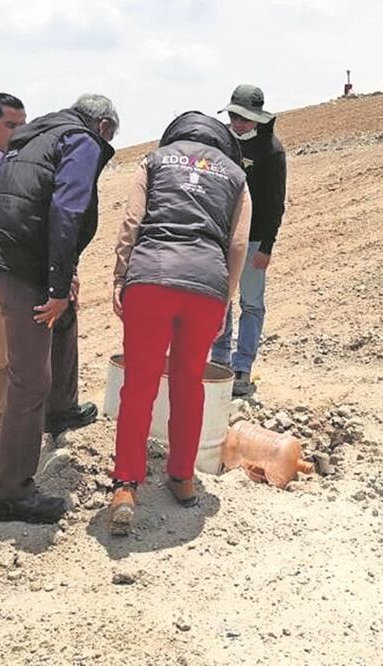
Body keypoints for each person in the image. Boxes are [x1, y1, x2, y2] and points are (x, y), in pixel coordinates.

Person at [0, 94, 118, 524]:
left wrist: (62, 278)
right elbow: (67, 207)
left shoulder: (38, 138)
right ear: (104, 126)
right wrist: (55, 282)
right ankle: (12, 495)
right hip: (19, 265)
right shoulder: (82, 140)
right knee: (29, 379)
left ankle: (61, 409)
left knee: (64, 315)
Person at [107, 111, 252, 535]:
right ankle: (182, 478)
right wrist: (225, 298)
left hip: (151, 277)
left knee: (139, 385)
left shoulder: (153, 161)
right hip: (206, 283)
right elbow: (239, 241)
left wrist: (121, 275)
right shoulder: (235, 177)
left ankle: (125, 485)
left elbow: (132, 222)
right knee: (189, 383)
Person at [0, 93, 98, 444]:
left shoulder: (34, 157)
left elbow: (61, 217)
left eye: (22, 124)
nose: (18, 131)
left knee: (59, 340)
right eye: (9, 125)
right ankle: (4, 429)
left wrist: (66, 271)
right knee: (2, 355)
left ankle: (60, 412)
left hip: (42, 274)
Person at [210, 84, 287, 397]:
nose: (237, 123)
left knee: (251, 303)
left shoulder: (272, 151)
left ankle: (243, 366)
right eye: (233, 116)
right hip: (222, 238)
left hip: (255, 241)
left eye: (243, 117)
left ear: (257, 118)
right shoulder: (223, 144)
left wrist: (267, 246)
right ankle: (219, 360)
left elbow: (276, 202)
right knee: (220, 300)